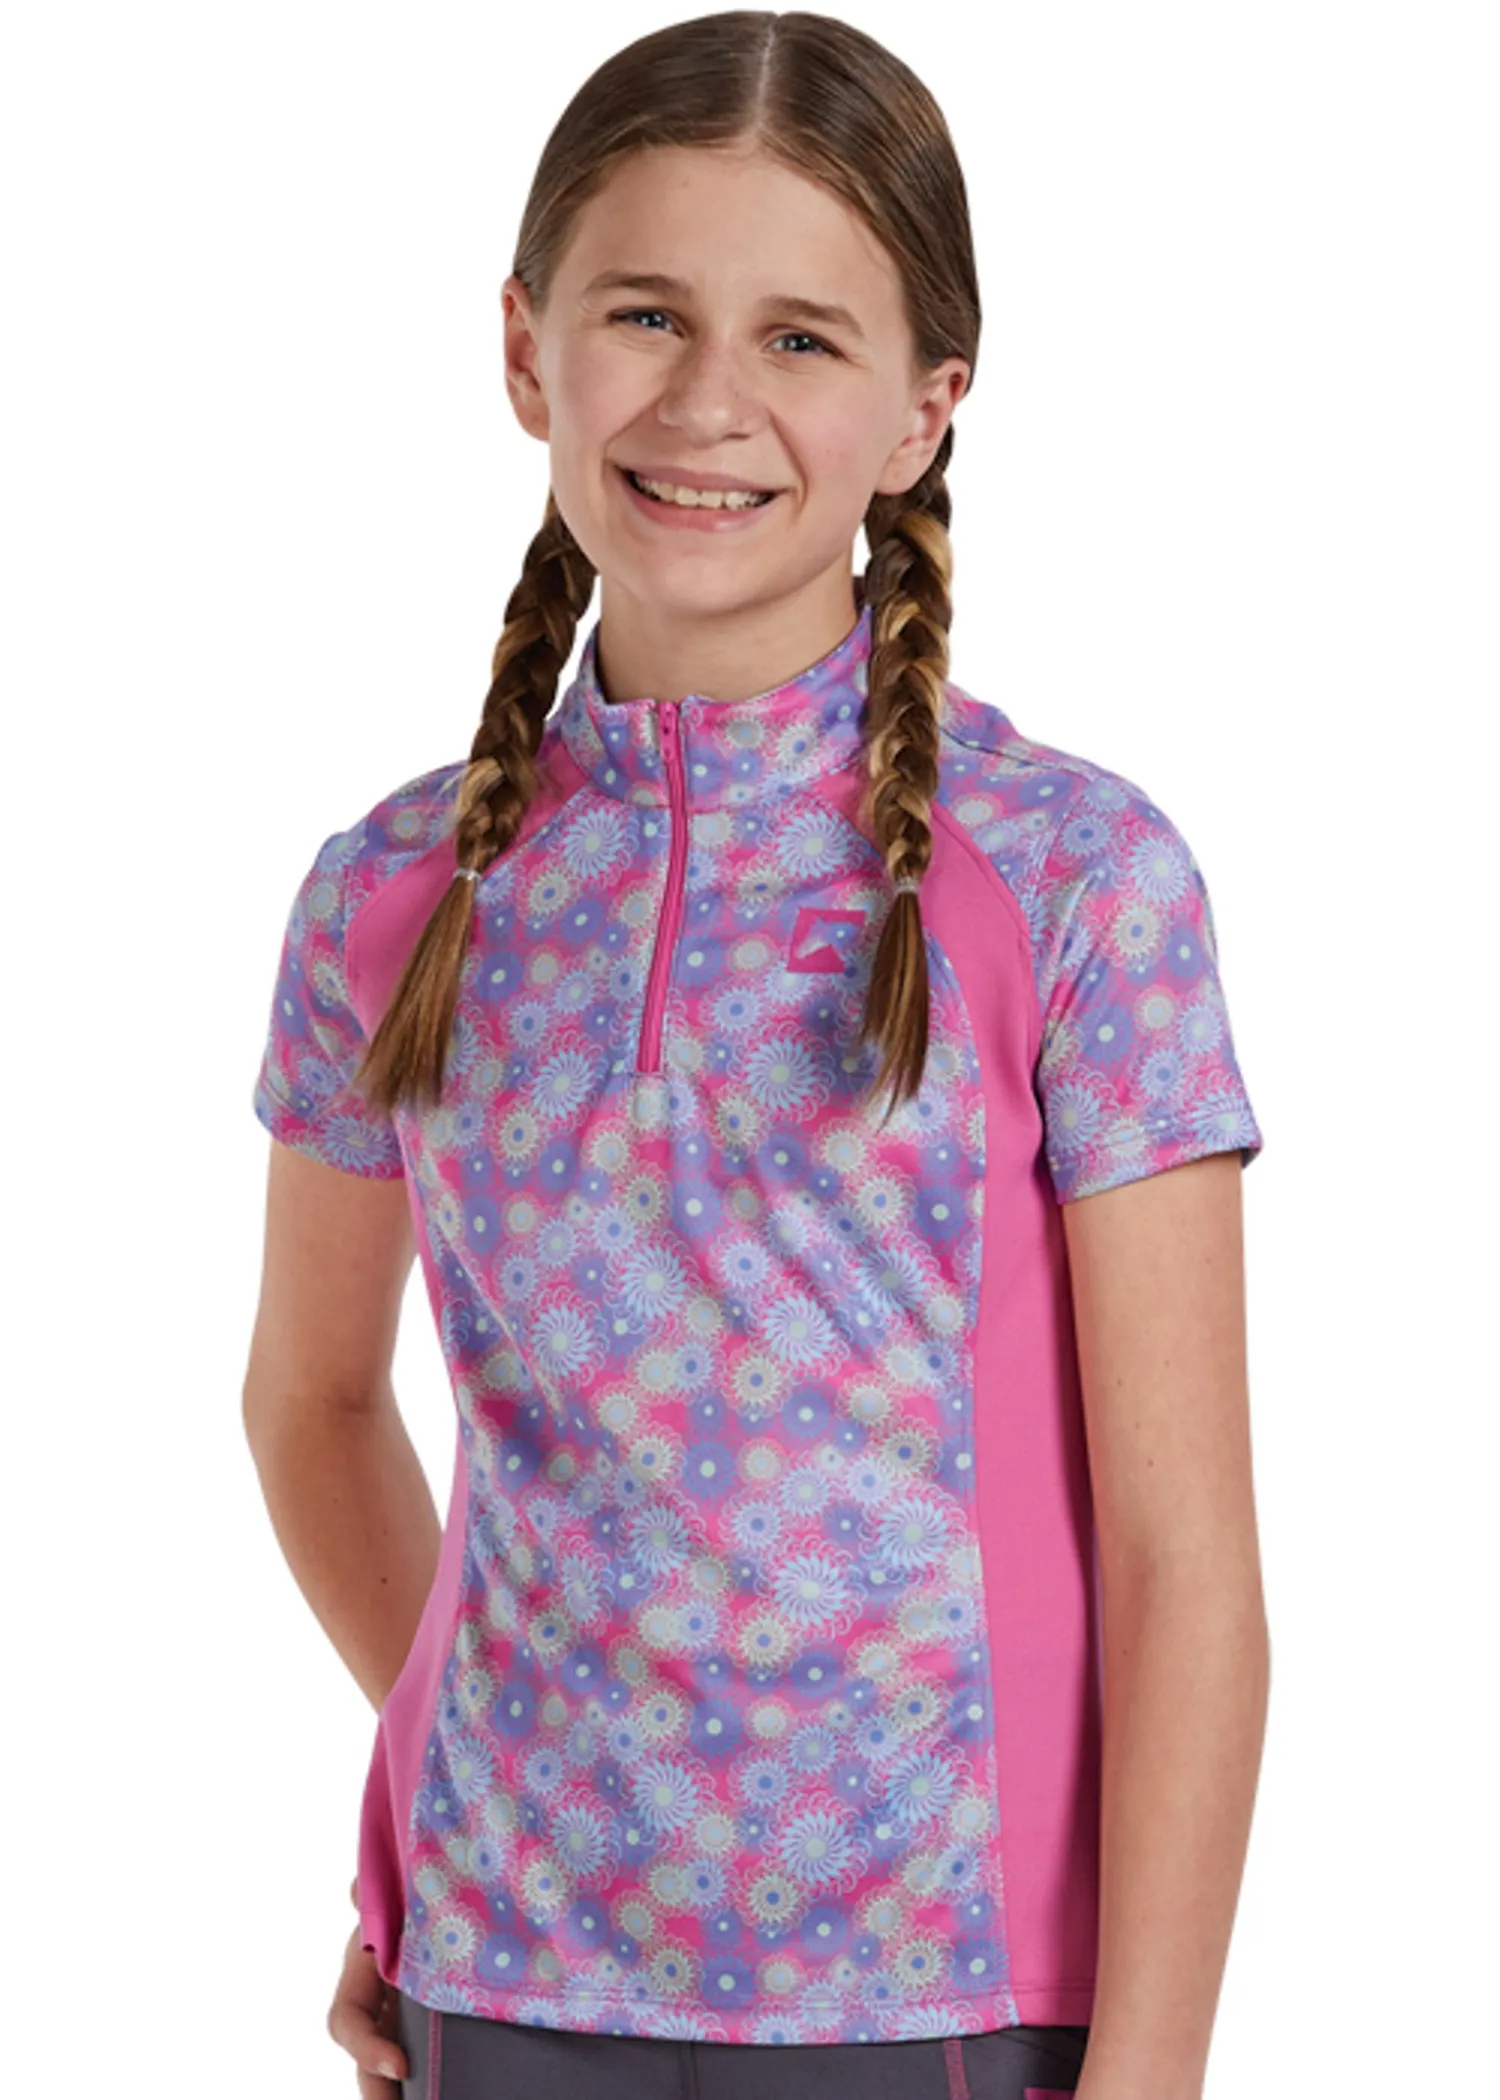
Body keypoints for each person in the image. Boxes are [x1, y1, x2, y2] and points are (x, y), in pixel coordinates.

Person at [242, 12, 1270, 2098]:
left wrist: (1150, 2074)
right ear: (525, 350)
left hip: (944, 1995)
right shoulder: (389, 896)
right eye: (647, 314)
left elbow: (1188, 1569)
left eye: (801, 337)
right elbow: (313, 1406)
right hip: (503, 1978)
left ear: (924, 409)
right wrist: (445, 1775)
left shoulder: (1074, 880)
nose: (709, 401)